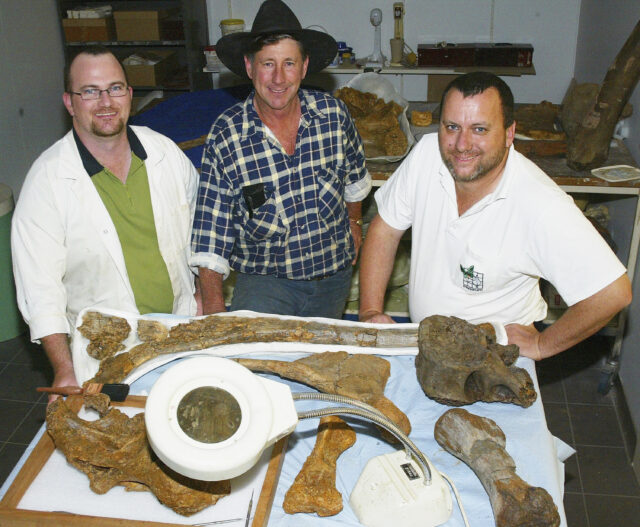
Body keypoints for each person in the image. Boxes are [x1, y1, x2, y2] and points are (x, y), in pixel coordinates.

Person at [358, 71, 631, 361]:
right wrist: (371, 311)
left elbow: (613, 293)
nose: (462, 145)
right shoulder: (426, 154)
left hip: (494, 361)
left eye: (479, 129)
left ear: (509, 133)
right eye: (452, 127)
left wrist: (542, 345)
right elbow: (385, 229)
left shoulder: (539, 203)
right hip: (427, 345)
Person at [11, 47, 200, 400]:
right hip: (106, 355)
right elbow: (40, 289)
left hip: (178, 335)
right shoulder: (47, 181)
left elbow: (202, 232)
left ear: (129, 94)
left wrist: (203, 294)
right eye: (90, 91)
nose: (105, 102)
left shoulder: (165, 154)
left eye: (114, 88)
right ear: (69, 102)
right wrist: (63, 369)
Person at [192, 0, 371, 319]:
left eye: (289, 63)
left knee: (322, 363)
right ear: (249, 67)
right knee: (253, 365)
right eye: (267, 64)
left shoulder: (332, 115)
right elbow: (210, 237)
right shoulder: (227, 136)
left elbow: (355, 181)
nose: (278, 78)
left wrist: (354, 222)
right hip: (266, 284)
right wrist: (215, 317)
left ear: (303, 67)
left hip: (334, 278)